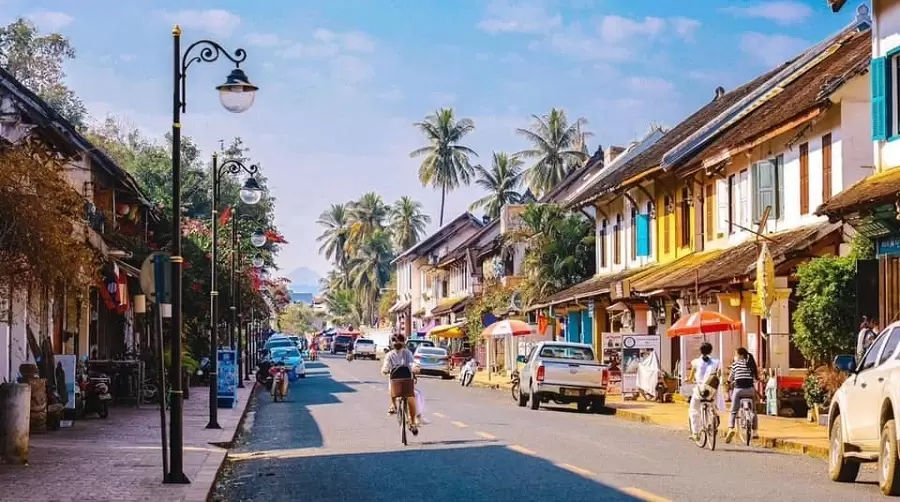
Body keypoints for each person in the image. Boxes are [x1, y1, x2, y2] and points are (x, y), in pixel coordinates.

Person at [381, 334, 419, 434]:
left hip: (407, 380)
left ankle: (413, 422)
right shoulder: (389, 355)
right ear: (391, 342)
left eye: (400, 340)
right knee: (391, 389)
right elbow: (386, 365)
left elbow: (412, 363)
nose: (397, 343)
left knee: (411, 399)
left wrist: (415, 368)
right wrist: (385, 369)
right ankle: (393, 405)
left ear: (403, 342)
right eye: (394, 340)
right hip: (395, 381)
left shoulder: (407, 353)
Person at [687, 342, 720, 442]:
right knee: (712, 406)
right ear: (711, 350)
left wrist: (688, 380)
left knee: (694, 410)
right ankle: (712, 421)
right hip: (711, 390)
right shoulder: (716, 362)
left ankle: (696, 433)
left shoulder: (695, 362)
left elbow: (691, 377)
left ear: (700, 351)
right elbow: (718, 375)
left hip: (700, 390)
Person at [725, 347, 759, 443]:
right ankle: (755, 432)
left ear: (740, 355)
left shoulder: (735, 365)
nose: (735, 356)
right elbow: (755, 379)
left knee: (733, 411)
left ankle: (731, 428)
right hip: (750, 390)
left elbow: (730, 378)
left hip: (739, 390)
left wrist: (728, 382)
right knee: (754, 411)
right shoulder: (750, 365)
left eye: (736, 354)